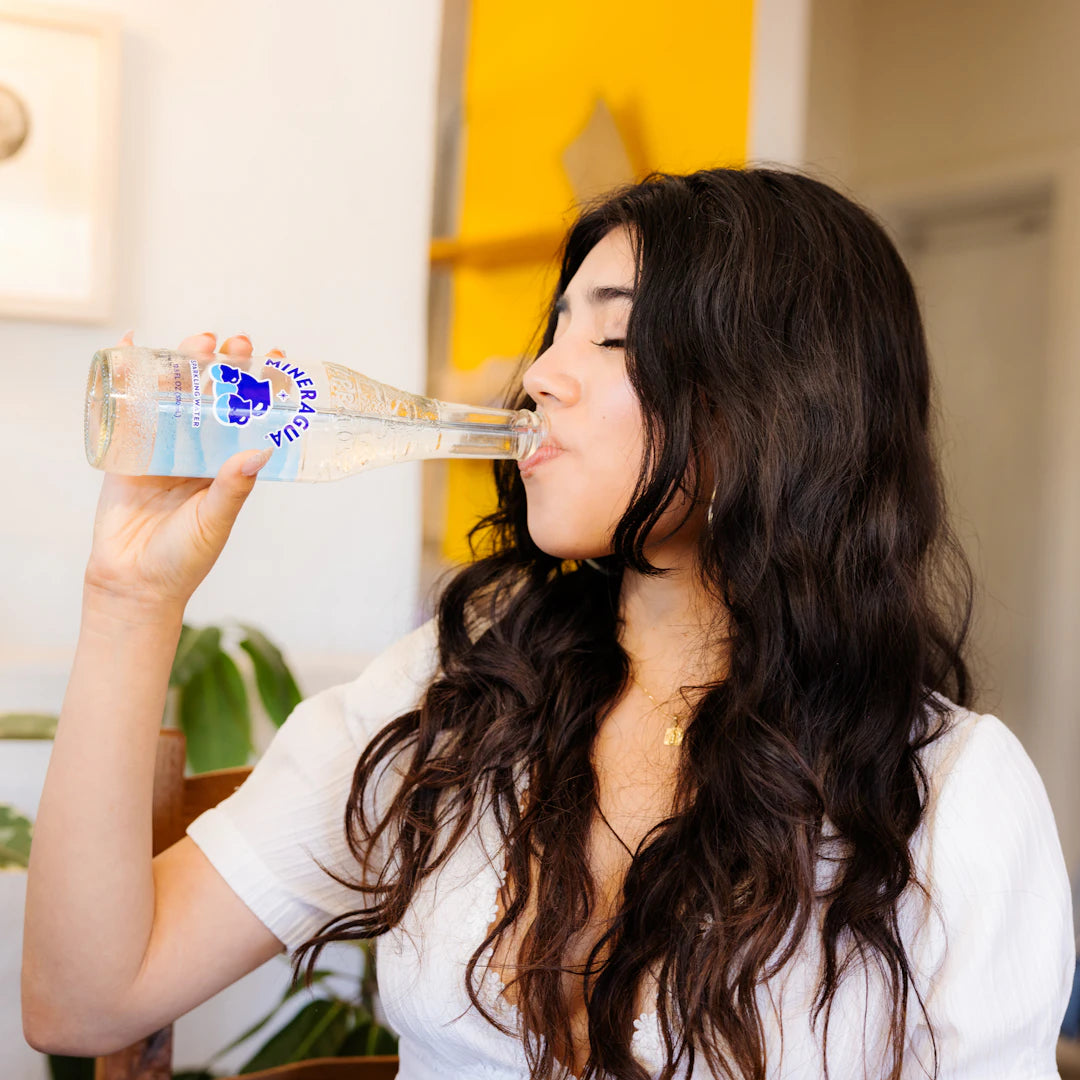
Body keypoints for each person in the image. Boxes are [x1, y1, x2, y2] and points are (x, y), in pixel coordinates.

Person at [22, 167, 1075, 1080]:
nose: (538, 377)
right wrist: (130, 599)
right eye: (557, 329)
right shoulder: (455, 693)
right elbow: (85, 1002)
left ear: (781, 403)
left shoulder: (951, 796)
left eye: (614, 335)